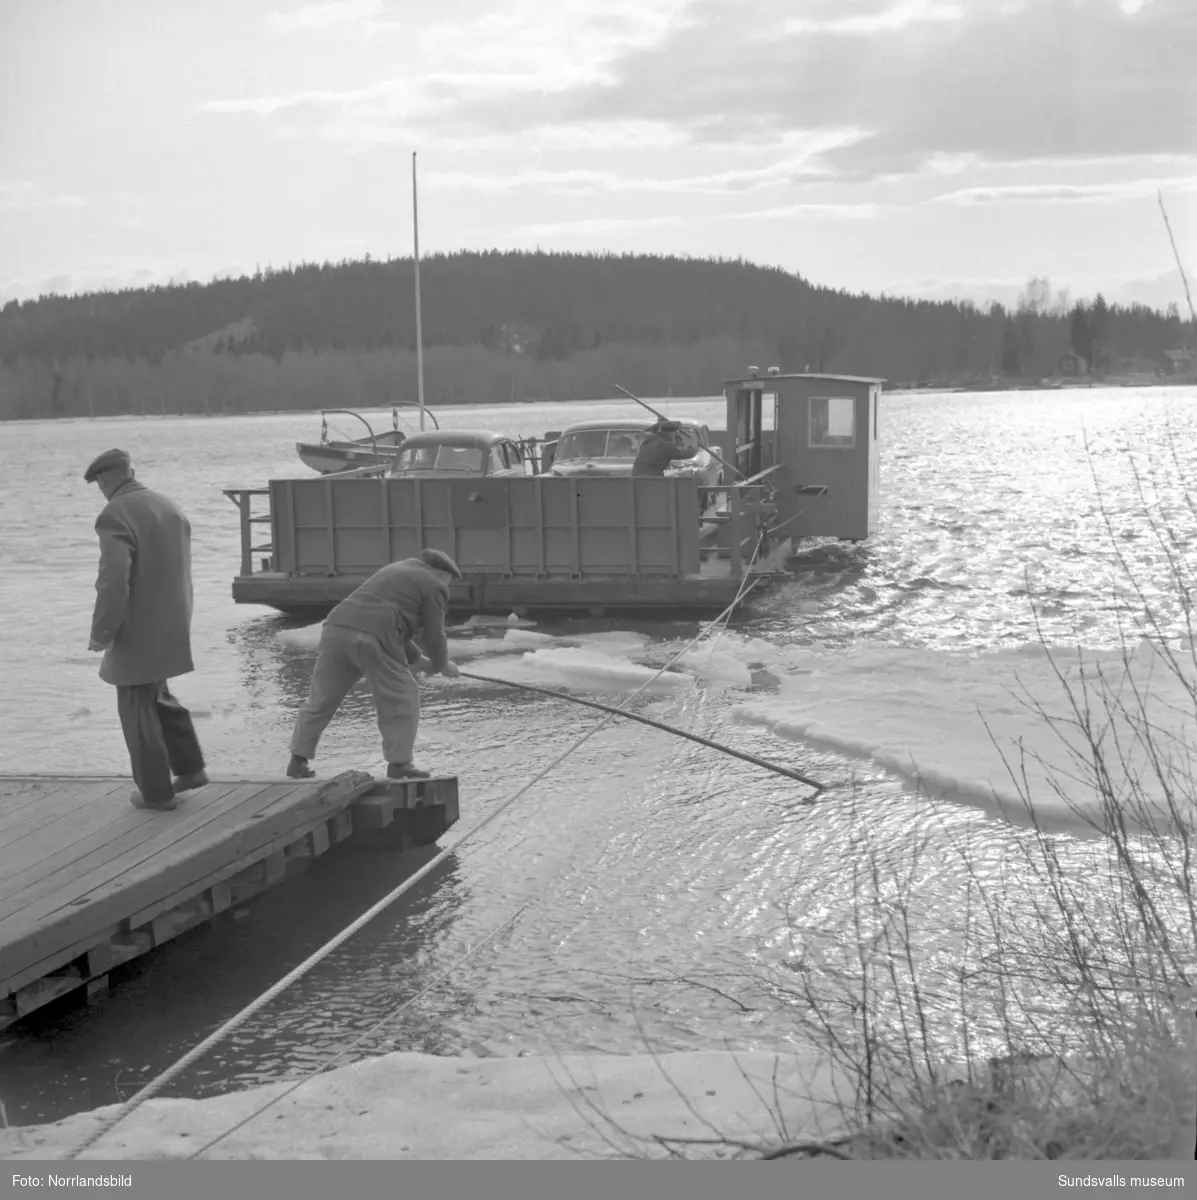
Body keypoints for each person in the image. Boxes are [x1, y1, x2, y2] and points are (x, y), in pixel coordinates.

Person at [85, 448, 208, 811]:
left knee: (136, 708)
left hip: (137, 624)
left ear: (107, 481)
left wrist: (102, 632)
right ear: (131, 471)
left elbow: (112, 580)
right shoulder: (167, 505)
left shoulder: (114, 514)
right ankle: (190, 769)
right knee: (159, 695)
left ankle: (156, 792)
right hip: (173, 618)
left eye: (99, 484)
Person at [287, 548, 462, 782]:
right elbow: (434, 634)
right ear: (441, 574)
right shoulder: (434, 585)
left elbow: (387, 613)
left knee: (321, 699)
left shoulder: (397, 570)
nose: (448, 586)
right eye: (449, 580)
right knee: (401, 696)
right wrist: (442, 665)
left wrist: (418, 659)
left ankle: (298, 760)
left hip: (336, 628)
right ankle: (400, 764)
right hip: (375, 636)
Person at [631, 420, 700, 477]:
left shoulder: (649, 439)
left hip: (637, 477)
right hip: (652, 479)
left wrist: (660, 423)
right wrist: (693, 443)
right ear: (671, 433)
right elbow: (688, 454)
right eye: (675, 434)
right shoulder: (666, 446)